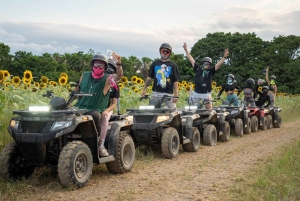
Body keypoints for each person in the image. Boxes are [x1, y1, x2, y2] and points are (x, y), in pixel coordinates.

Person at [75, 53, 123, 157]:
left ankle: (99, 144)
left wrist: (118, 64)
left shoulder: (107, 79)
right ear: (92, 65)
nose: (98, 67)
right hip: (80, 107)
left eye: (101, 66)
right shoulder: (84, 75)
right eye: (96, 64)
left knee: (96, 116)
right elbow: (76, 90)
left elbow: (118, 77)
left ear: (105, 67)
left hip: (96, 108)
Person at [183, 42, 229, 109]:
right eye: (205, 63)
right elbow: (191, 60)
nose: (206, 65)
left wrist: (224, 57)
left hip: (206, 93)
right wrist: (186, 50)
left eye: (208, 64)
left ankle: (210, 116)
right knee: (191, 107)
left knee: (209, 109)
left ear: (209, 65)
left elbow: (218, 65)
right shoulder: (198, 69)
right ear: (203, 63)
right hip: (196, 93)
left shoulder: (210, 71)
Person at [141, 43, 180, 109]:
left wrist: (176, 94)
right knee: (151, 111)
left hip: (168, 94)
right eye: (163, 51)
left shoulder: (173, 65)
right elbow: (149, 78)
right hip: (156, 93)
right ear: (160, 51)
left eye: (167, 52)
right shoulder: (155, 63)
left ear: (169, 53)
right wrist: (144, 89)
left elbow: (175, 80)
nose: (165, 53)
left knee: (173, 111)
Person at [98, 59, 120, 157]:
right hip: (93, 107)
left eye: (112, 69)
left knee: (105, 117)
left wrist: (106, 111)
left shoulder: (114, 86)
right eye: (108, 68)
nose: (110, 70)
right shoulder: (96, 81)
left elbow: (114, 103)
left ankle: (101, 145)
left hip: (106, 108)